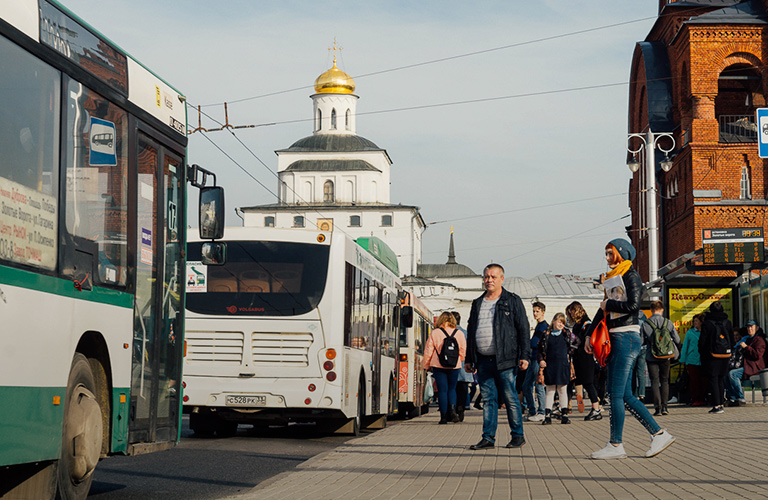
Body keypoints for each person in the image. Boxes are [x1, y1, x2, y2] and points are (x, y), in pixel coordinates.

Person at [586, 238, 675, 460]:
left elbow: (634, 306)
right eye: (606, 253)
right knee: (625, 395)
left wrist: (609, 304)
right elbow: (603, 310)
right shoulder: (613, 278)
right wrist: (588, 333)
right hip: (618, 337)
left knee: (615, 394)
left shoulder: (631, 276)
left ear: (621, 253)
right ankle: (658, 434)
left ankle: (616, 444)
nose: (607, 258)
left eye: (610, 253)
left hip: (625, 337)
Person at [465, 264, 530, 450]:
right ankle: (488, 438)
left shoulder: (512, 300)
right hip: (483, 360)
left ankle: (517, 435)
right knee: (488, 400)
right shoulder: (478, 303)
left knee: (510, 398)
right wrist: (469, 358)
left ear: (502, 279)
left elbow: (523, 328)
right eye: (486, 277)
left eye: (493, 277)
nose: (489, 280)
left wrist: (525, 355)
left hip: (506, 360)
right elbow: (471, 330)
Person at [423, 311, 467, 424]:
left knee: (442, 390)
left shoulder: (435, 333)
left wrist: (426, 365)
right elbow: (463, 351)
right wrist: (458, 360)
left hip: (438, 365)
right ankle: (452, 410)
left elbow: (428, 350)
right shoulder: (459, 333)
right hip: (454, 366)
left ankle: (443, 417)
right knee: (452, 389)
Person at [538, 312, 579, 425]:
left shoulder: (567, 334)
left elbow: (577, 342)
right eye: (559, 322)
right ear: (553, 321)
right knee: (550, 390)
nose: (561, 324)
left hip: (563, 365)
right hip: (550, 365)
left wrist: (569, 353)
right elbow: (539, 349)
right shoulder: (546, 334)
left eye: (563, 323)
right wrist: (541, 360)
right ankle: (547, 416)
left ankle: (564, 415)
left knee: (562, 390)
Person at [640, 301, 680, 416]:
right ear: (662, 309)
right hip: (666, 356)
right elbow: (677, 339)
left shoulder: (646, 323)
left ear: (651, 310)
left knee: (654, 381)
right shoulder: (668, 322)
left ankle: (657, 408)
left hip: (651, 355)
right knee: (665, 380)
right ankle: (665, 407)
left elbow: (641, 341)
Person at [566, 301, 602, 421]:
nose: (571, 316)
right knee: (581, 382)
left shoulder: (586, 323)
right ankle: (592, 407)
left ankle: (596, 409)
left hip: (586, 357)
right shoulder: (579, 324)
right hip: (579, 357)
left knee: (588, 383)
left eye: (572, 313)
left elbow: (584, 340)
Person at [698, 301, 734, 414]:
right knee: (720, 379)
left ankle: (716, 405)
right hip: (725, 355)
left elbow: (702, 342)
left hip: (711, 356)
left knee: (713, 379)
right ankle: (721, 403)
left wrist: (703, 354)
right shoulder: (727, 323)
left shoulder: (707, 323)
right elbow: (732, 340)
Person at [726, 320, 766, 406]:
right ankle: (732, 398)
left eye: (751, 327)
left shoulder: (760, 340)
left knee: (733, 374)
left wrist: (746, 347)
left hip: (755, 367)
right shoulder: (747, 339)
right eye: (748, 327)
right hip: (746, 366)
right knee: (726, 373)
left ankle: (740, 398)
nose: (749, 329)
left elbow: (757, 355)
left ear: (757, 328)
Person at [522, 301, 548, 422]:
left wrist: (526, 343)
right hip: (533, 358)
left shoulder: (543, 326)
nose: (535, 313)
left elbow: (536, 343)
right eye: (534, 311)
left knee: (538, 385)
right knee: (526, 386)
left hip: (538, 359)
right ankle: (532, 411)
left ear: (543, 312)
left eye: (537, 311)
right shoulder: (539, 326)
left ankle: (542, 412)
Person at [680, 314, 707, 406]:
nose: (695, 323)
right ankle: (694, 399)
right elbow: (685, 346)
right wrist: (683, 359)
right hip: (692, 360)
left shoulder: (705, 332)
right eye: (694, 321)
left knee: (704, 380)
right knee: (694, 381)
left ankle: (702, 398)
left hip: (703, 360)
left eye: (697, 321)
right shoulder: (690, 332)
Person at [452, 311, 474, 421]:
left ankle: (453, 409)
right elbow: (471, 348)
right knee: (463, 388)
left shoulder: (446, 332)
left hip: (450, 364)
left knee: (452, 388)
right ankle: (461, 407)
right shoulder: (465, 333)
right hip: (464, 364)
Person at [631, 310, 648, 402]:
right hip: (643, 348)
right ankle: (642, 394)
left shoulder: (631, 317)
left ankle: (634, 394)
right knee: (641, 372)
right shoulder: (644, 317)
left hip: (633, 347)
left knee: (632, 372)